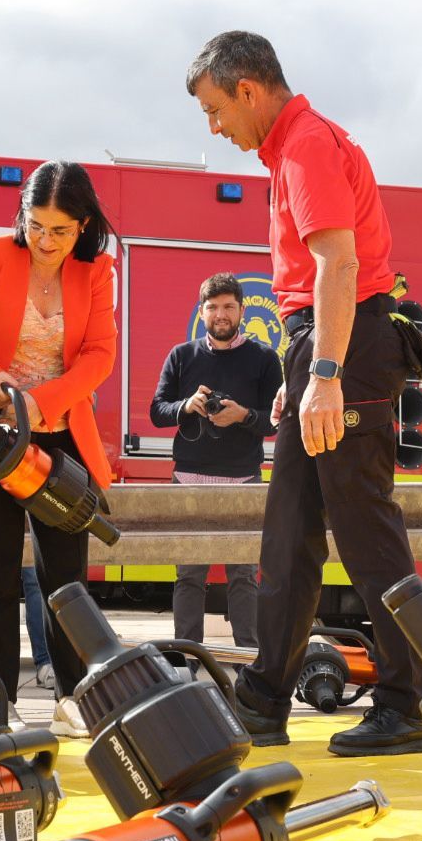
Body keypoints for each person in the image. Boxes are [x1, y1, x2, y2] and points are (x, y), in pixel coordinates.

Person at [186, 31, 422, 756]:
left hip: (344, 350)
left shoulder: (306, 146)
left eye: (214, 110)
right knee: (289, 533)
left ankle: (405, 702)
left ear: (247, 91)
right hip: (325, 351)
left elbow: (338, 263)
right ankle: (264, 700)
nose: (215, 127)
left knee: (365, 532)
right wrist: (303, 376)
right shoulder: (294, 146)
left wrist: (323, 376)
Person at [0, 160, 118, 739]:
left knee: (67, 582)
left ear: (83, 225)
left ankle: (74, 700)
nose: (45, 241)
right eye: (35, 226)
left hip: (60, 445)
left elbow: (100, 356)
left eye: (60, 230)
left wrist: (42, 401)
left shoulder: (98, 270)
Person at [150, 272, 282, 648]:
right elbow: (158, 411)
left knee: (244, 575)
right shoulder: (181, 356)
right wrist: (186, 406)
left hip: (243, 481)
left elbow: (275, 422)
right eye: (212, 307)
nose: (220, 314)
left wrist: (242, 415)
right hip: (189, 482)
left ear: (241, 310)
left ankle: (248, 659)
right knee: (189, 576)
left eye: (227, 307)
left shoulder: (264, 359)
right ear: (202, 311)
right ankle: (186, 658)